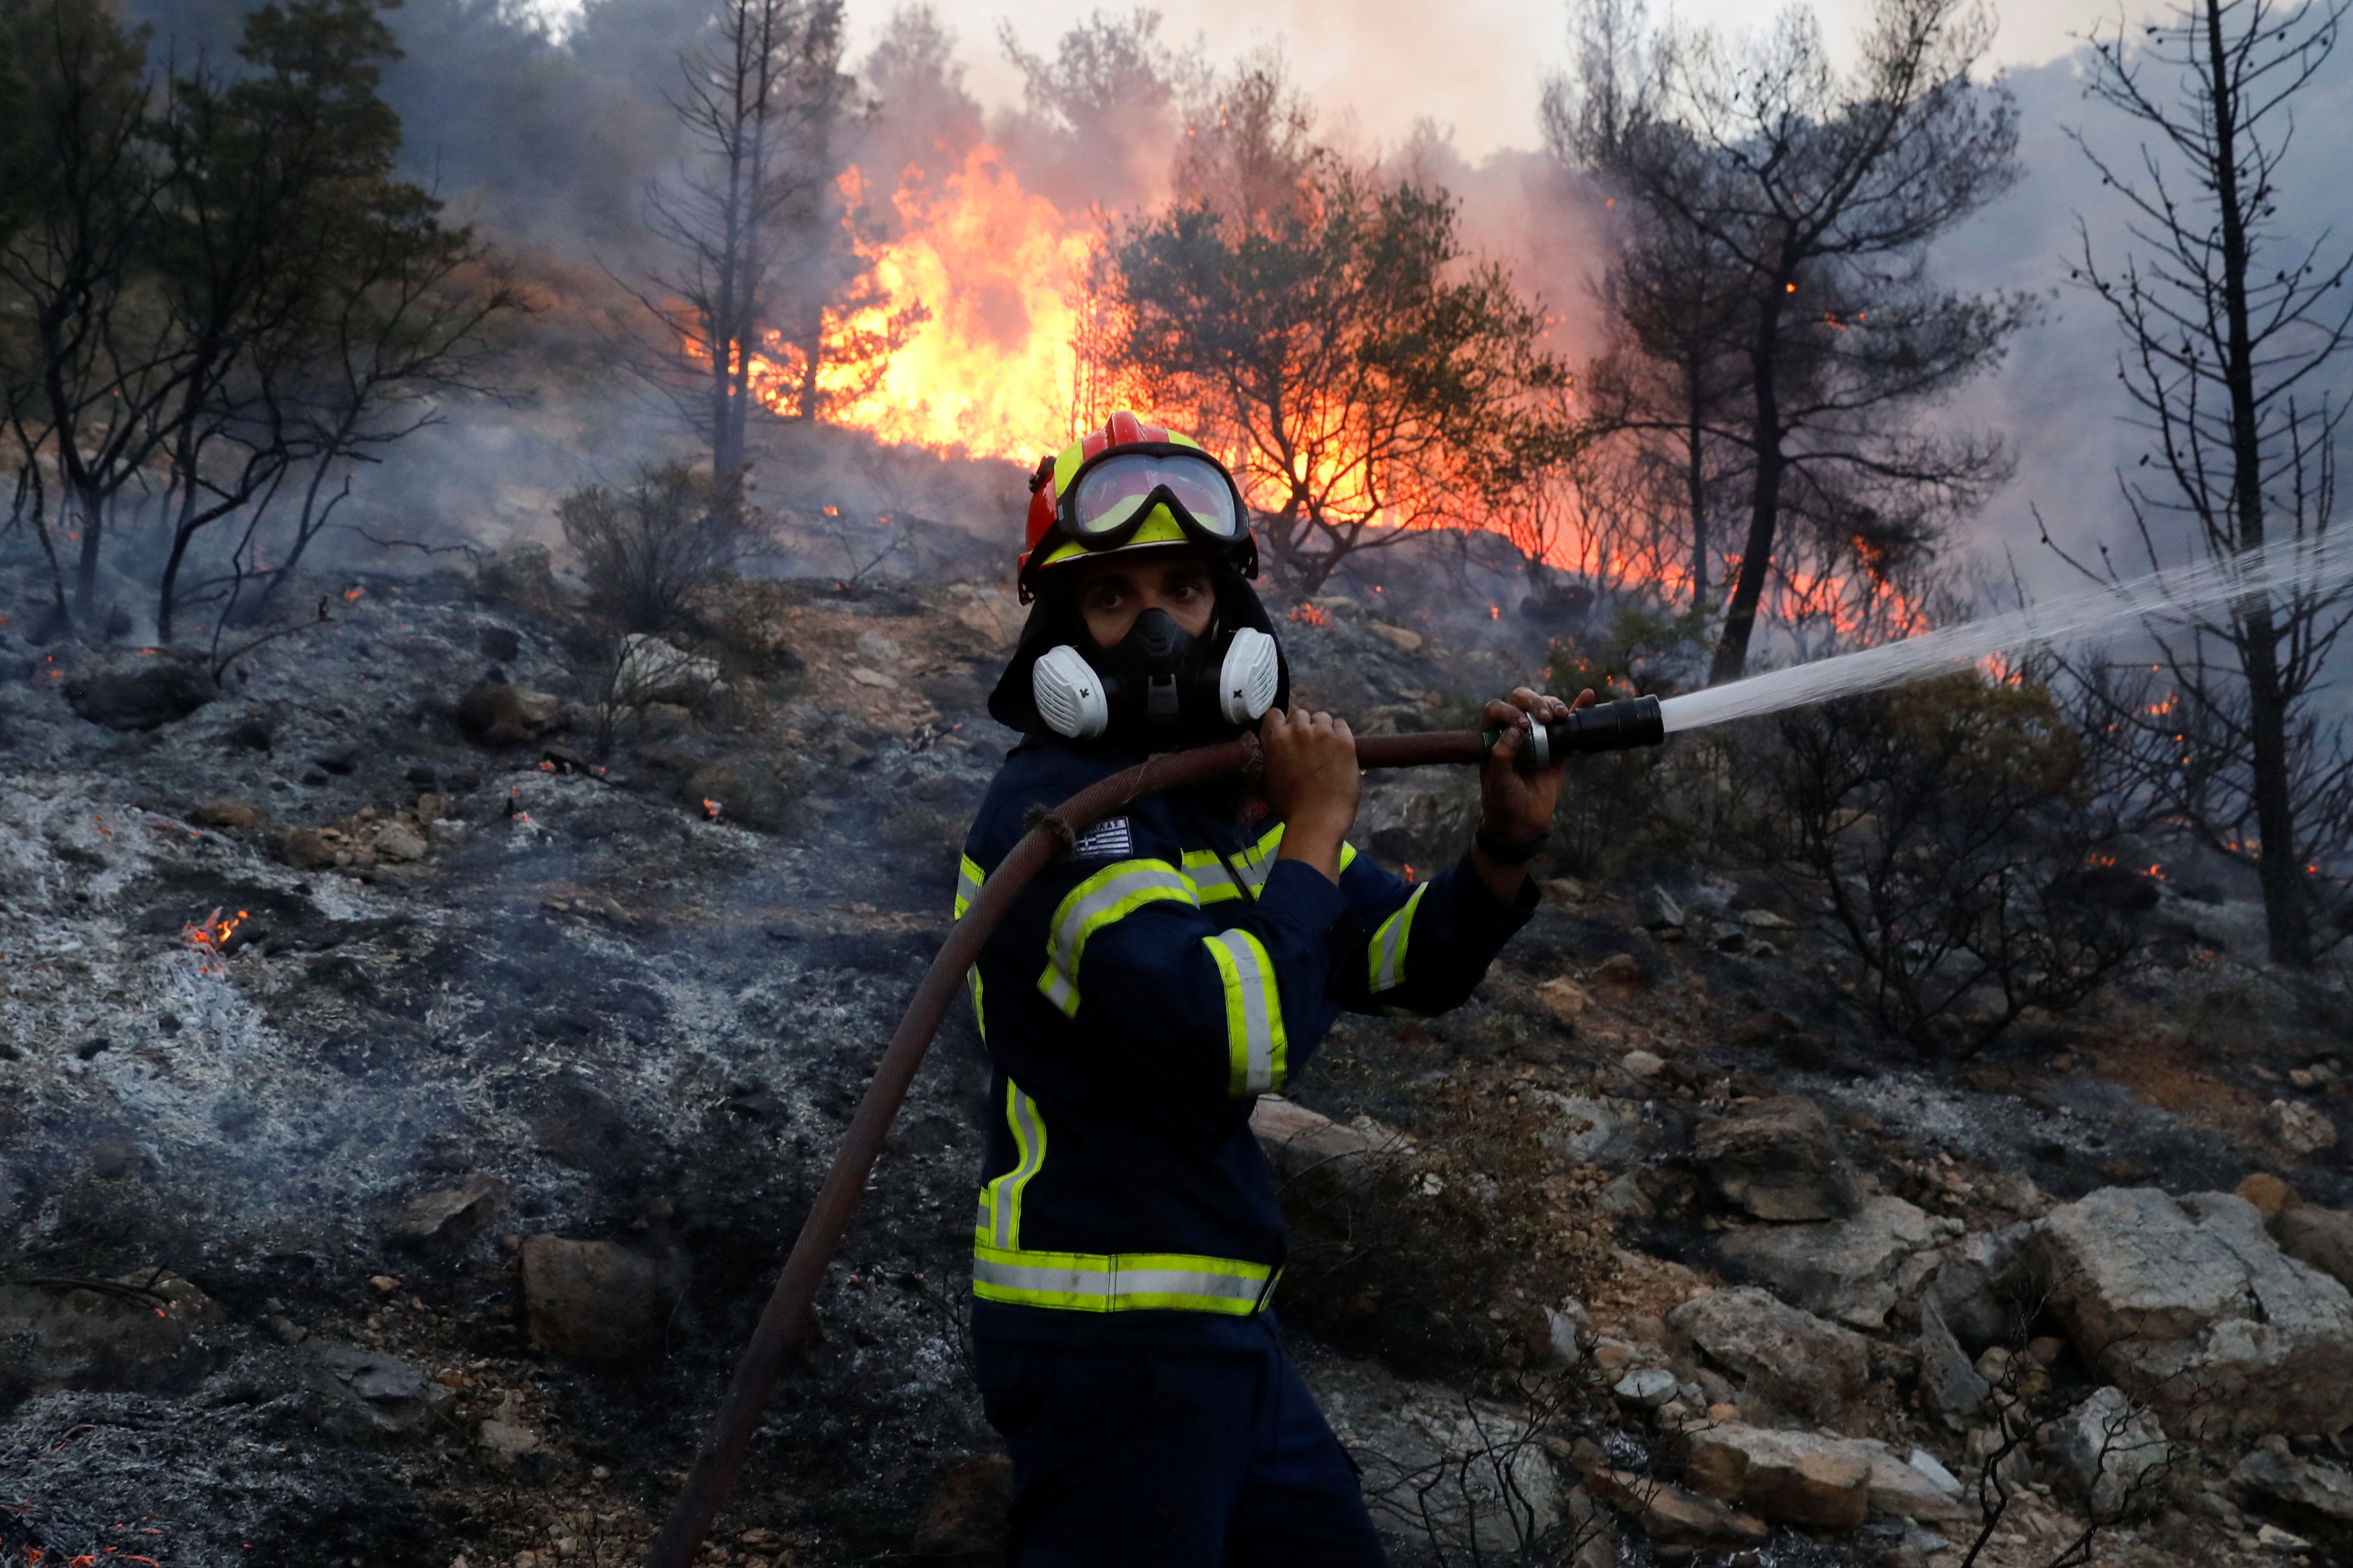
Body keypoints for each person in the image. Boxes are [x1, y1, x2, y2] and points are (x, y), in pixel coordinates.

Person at [957, 411, 1589, 1565]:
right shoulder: (1058, 820)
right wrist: (1314, 824)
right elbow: (1229, 1031)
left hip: (1218, 1329)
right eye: (1112, 599)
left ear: (1236, 613)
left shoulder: (1221, 812)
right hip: (1105, 1333)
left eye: (1186, 589)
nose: (1157, 628)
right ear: (1059, 639)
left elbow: (1399, 956)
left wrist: (1499, 851)